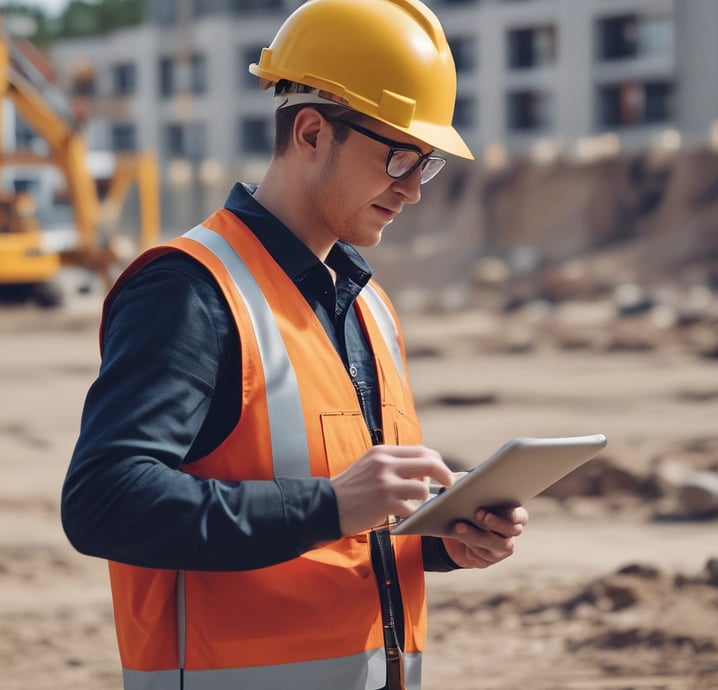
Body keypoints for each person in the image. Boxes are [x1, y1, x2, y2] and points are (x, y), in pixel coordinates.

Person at [61, 1, 529, 689]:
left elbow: (342, 527)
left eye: (424, 164)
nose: (412, 190)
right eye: (399, 156)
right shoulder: (189, 291)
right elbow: (105, 502)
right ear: (311, 132)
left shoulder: (368, 305)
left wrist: (441, 538)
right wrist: (331, 505)